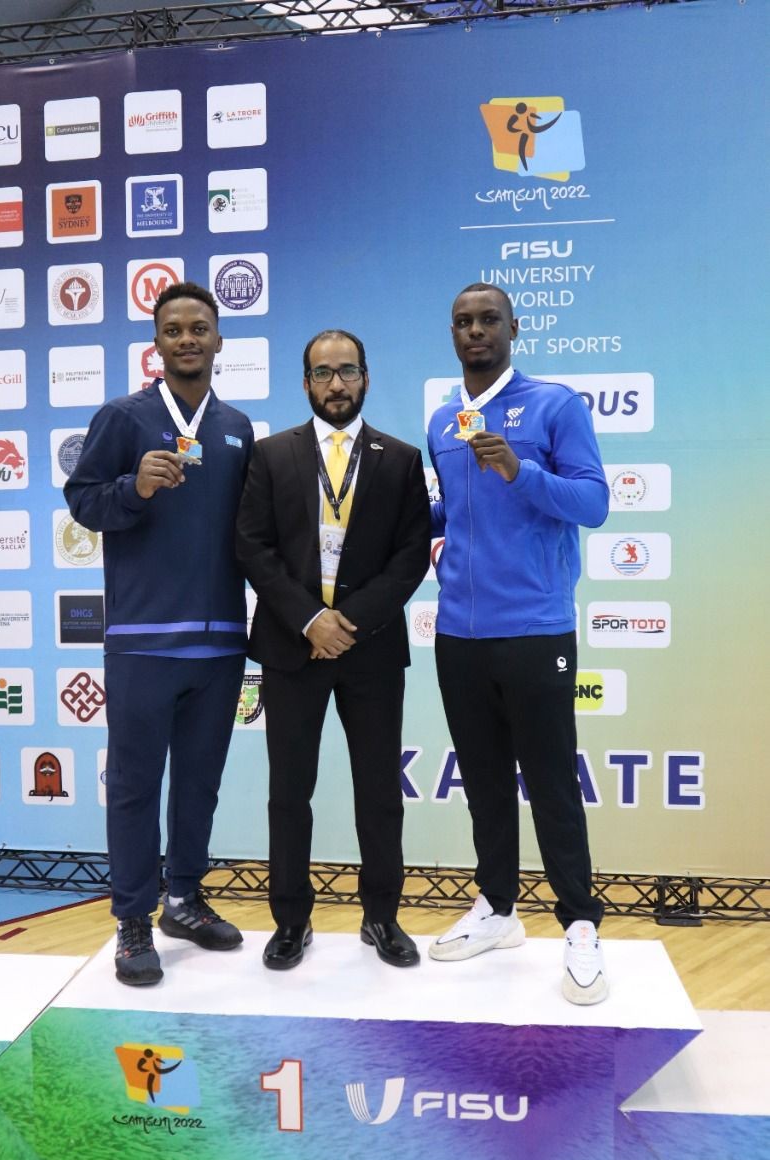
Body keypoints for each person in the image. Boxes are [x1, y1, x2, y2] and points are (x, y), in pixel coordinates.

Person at [426, 283, 610, 1004]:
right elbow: (450, 512)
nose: (475, 331)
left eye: (488, 320)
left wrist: (519, 471)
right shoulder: (444, 420)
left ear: (513, 327)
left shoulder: (555, 406)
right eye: (463, 322)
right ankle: (497, 908)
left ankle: (580, 924)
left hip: (535, 628)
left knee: (552, 782)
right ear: (452, 333)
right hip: (458, 633)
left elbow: (593, 502)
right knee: (483, 782)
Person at [65, 282, 253, 986]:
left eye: (198, 328)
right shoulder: (123, 417)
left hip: (222, 641)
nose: (187, 339)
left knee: (199, 785)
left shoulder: (236, 427)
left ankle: (184, 900)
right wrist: (133, 489)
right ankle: (133, 919)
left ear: (218, 339)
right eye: (173, 329)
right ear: (157, 343)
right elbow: (82, 501)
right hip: (143, 638)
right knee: (135, 786)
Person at [236, 329, 431, 970]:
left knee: (379, 792)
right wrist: (310, 620)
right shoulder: (270, 455)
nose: (336, 384)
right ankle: (291, 921)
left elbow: (410, 557)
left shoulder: (400, 459)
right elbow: (252, 547)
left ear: (366, 378)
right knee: (289, 793)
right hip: (291, 648)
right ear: (306, 384)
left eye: (348, 371)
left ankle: (382, 917)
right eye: (323, 373)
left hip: (371, 651)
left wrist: (346, 622)